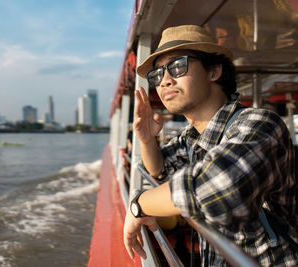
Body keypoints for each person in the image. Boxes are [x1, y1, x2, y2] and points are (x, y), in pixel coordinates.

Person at [123, 25, 298, 266]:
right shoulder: (192, 137)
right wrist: (145, 138)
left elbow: (217, 188)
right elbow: (160, 169)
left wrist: (138, 205)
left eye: (177, 66)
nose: (164, 81)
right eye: (157, 74)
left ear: (214, 71)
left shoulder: (260, 124)